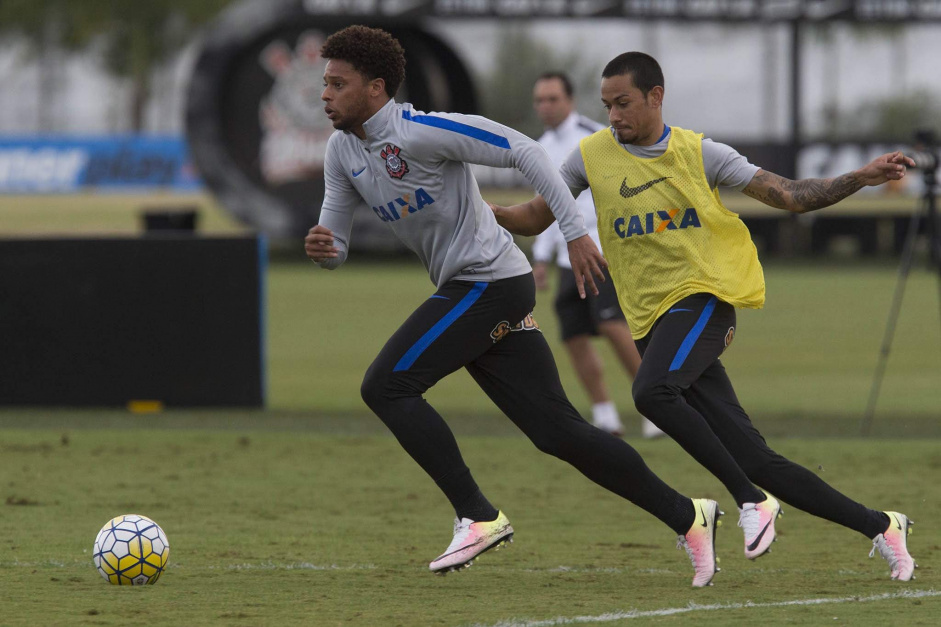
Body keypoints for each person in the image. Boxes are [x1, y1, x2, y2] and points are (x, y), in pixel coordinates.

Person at [305, 26, 723, 587]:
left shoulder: (425, 131)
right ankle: (689, 516)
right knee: (558, 433)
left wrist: (574, 232)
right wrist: (324, 250)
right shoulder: (341, 151)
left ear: (376, 87)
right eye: (324, 84)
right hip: (473, 287)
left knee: (386, 385)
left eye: (338, 83)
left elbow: (525, 150)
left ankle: (477, 515)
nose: (325, 95)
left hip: (490, 283)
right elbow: (335, 246)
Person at [491, 51, 918, 581]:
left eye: (623, 103)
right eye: (606, 106)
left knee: (650, 394)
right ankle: (883, 527)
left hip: (706, 300)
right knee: (757, 457)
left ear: (656, 96)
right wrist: (484, 211)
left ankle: (748, 500)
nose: (614, 116)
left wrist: (862, 176)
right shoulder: (589, 157)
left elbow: (790, 195)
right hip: (651, 321)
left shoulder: (701, 153)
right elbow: (534, 216)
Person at [530, 72, 662, 438]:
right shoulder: (538, 146)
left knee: (612, 324)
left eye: (552, 99)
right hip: (565, 259)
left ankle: (656, 407)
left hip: (602, 248)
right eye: (539, 100)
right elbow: (546, 208)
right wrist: (541, 257)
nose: (545, 106)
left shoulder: (595, 137)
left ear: (569, 100)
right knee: (572, 333)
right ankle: (605, 415)